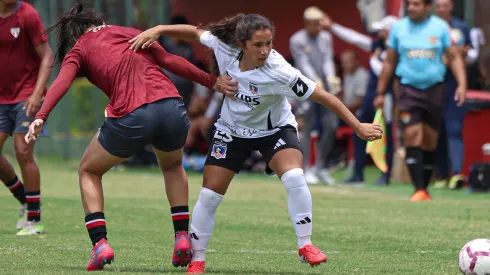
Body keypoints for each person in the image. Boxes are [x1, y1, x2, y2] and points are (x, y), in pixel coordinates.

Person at [130, 13, 383, 274]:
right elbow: (195, 32)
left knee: (295, 177)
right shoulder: (224, 47)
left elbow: (325, 97)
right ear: (241, 44)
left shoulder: (281, 72)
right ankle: (197, 259)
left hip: (274, 130)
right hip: (231, 131)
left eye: (269, 44)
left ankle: (305, 245)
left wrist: (358, 126)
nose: (265, 51)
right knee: (209, 196)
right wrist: (159, 28)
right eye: (258, 45)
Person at [24, 3, 237, 272]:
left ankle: (100, 244)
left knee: (88, 170)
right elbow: (170, 61)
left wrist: (41, 115)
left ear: (76, 32)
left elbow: (62, 82)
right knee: (172, 166)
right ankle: (182, 237)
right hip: (172, 107)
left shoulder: (79, 48)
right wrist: (212, 81)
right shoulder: (128, 31)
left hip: (132, 116)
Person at [374, 0, 467, 201]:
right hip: (408, 90)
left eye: (416, 4)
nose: (411, 8)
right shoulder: (399, 28)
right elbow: (389, 61)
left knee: (429, 140)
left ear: (427, 7)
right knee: (412, 135)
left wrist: (461, 84)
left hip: (434, 90)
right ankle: (419, 189)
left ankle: (424, 188)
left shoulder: (440, 28)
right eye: (410, 5)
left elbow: (454, 57)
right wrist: (380, 92)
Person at [322, 14, 398, 186]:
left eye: (383, 31)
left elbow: (389, 75)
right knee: (359, 130)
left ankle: (385, 175)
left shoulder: (396, 50)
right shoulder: (376, 46)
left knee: (385, 137)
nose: (380, 34)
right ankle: (358, 173)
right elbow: (354, 38)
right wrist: (333, 26)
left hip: (385, 97)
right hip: (370, 97)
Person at [0, 0, 53, 235]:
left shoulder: (28, 15)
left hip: (26, 95)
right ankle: (26, 199)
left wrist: (37, 92)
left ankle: (34, 219)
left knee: (22, 150)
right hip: (2, 98)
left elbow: (47, 55)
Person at [289, 6, 338, 185]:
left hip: (324, 88)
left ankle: (321, 166)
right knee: (307, 128)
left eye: (320, 24)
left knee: (331, 126)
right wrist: (315, 81)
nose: (319, 27)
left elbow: (327, 59)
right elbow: (303, 64)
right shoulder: (297, 39)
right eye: (315, 24)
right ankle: (307, 168)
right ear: (307, 23)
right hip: (304, 87)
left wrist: (330, 76)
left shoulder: (326, 37)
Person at [433, 0, 474, 189]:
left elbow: (469, 54)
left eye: (445, 5)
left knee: (454, 128)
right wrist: (453, 54)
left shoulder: (461, 27)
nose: (442, 8)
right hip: (433, 84)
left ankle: (457, 173)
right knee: (437, 130)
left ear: (451, 6)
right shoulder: (428, 26)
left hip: (454, 84)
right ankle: (441, 174)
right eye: (438, 5)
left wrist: (454, 55)